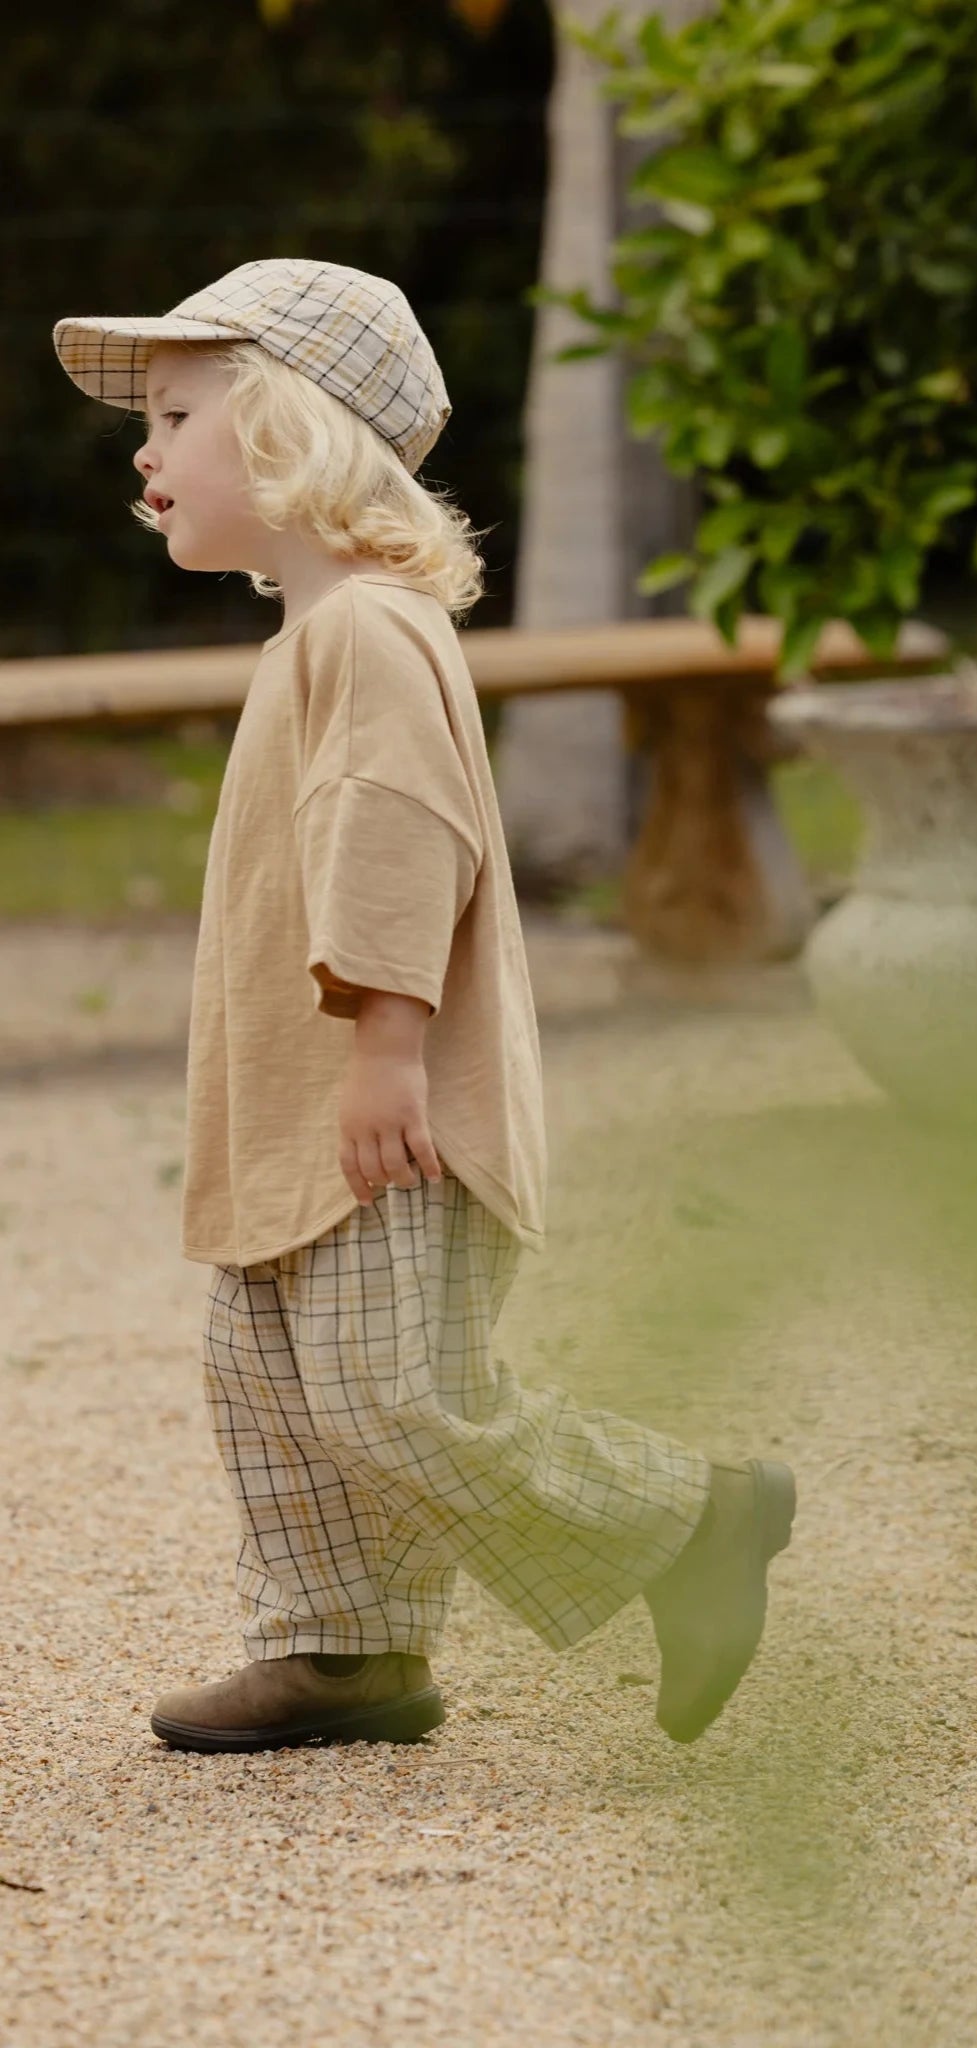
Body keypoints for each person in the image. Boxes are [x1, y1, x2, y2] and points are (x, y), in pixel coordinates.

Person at [51, 257, 795, 1757]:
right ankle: (345, 1650)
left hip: (391, 1119)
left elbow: (400, 834)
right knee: (267, 1381)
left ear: (292, 435)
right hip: (297, 1121)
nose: (146, 449)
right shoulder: (315, 635)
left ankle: (693, 1520)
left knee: (392, 1392)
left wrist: (387, 1047)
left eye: (180, 413)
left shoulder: (371, 634)